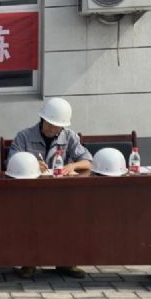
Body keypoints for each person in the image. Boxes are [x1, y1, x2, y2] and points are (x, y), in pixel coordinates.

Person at [8, 97, 93, 279]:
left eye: (58, 127)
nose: (53, 129)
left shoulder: (69, 136)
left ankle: (66, 262)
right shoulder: (24, 136)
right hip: (31, 194)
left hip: (59, 193)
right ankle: (28, 262)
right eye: (50, 124)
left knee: (71, 214)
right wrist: (31, 164)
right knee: (30, 215)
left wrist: (73, 165)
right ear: (42, 119)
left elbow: (88, 161)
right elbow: (11, 161)